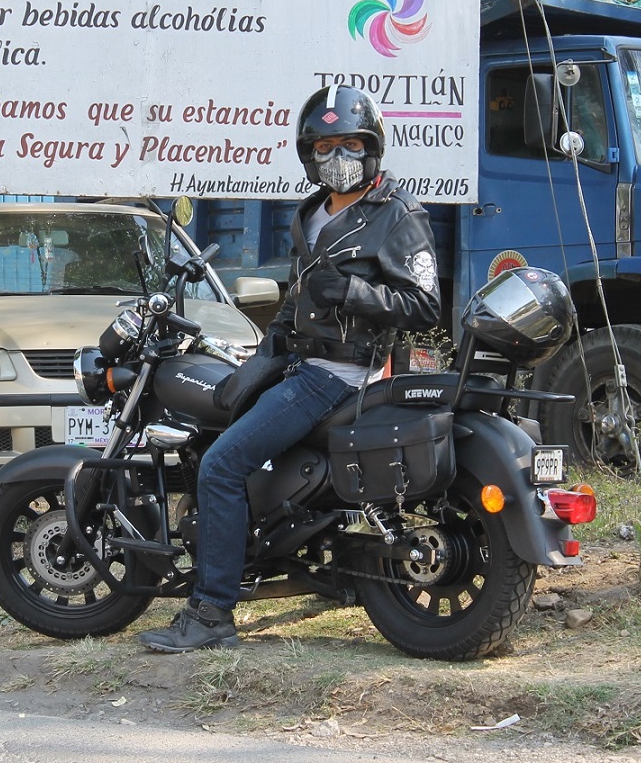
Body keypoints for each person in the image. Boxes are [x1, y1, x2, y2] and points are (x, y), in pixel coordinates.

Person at [138, 85, 442, 653]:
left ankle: (210, 612)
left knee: (224, 466)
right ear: (309, 153)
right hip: (300, 361)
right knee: (218, 430)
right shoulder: (312, 213)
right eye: (324, 146)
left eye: (350, 143)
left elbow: (424, 304)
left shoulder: (398, 216)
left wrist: (354, 291)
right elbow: (302, 297)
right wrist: (273, 341)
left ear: (372, 147)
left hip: (341, 374)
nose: (337, 157)